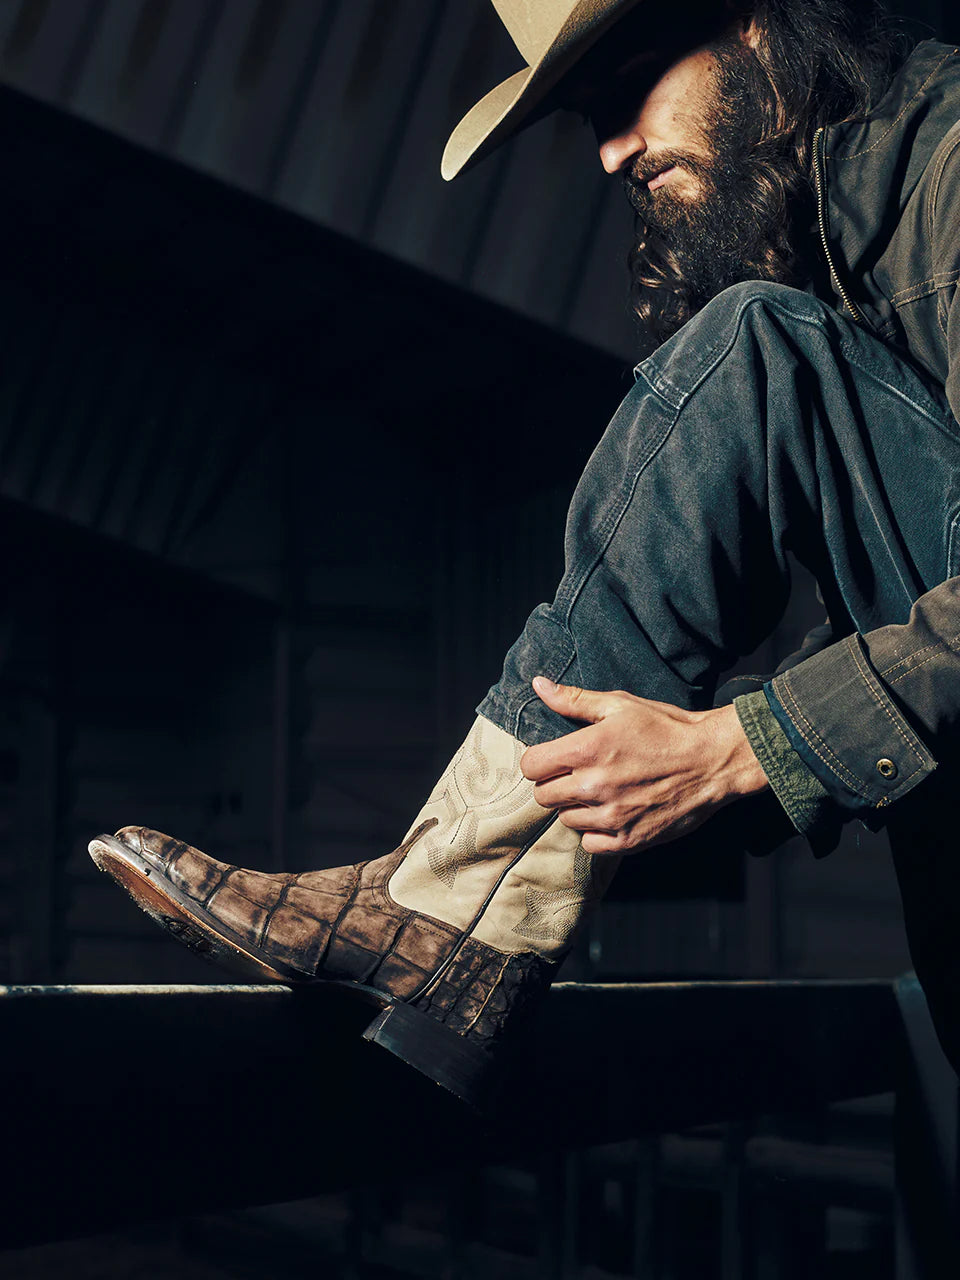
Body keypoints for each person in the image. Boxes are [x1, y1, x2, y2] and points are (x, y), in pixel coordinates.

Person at [89, 0, 960, 1105]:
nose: (608, 150)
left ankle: (443, 911)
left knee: (754, 348)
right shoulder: (839, 255)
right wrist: (700, 762)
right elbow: (904, 624)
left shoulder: (952, 171)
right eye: (588, 117)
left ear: (749, 30)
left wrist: (750, 745)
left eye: (628, 85)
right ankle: (450, 906)